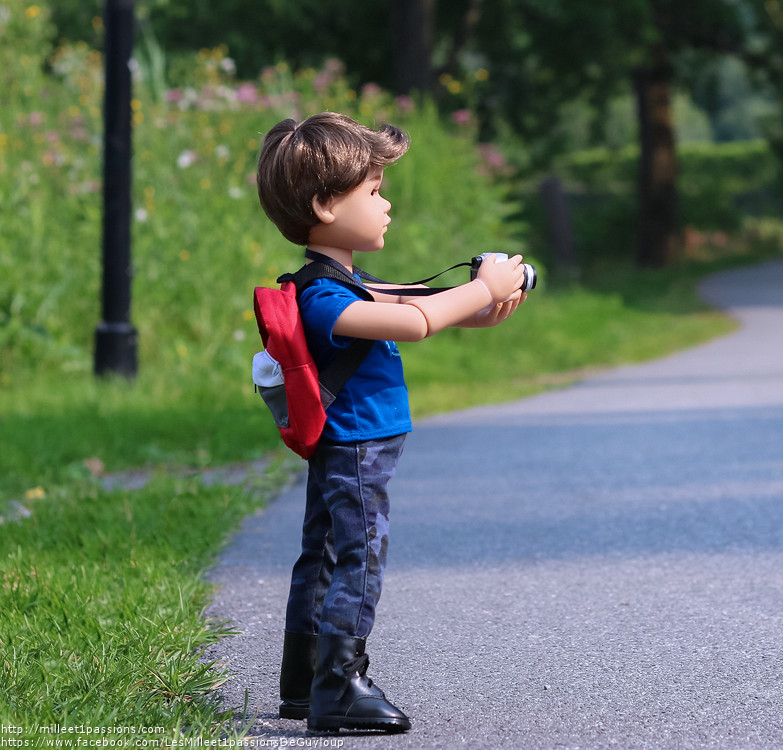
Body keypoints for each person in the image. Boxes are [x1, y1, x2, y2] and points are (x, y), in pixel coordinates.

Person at [256, 111, 526, 733]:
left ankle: (302, 683)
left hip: (347, 446)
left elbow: (424, 304)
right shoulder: (324, 297)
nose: (386, 204)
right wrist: (482, 288)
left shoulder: (346, 283)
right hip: (354, 448)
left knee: (321, 556)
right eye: (373, 191)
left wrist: (487, 304)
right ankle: (339, 687)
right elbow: (415, 323)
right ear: (326, 205)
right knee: (358, 558)